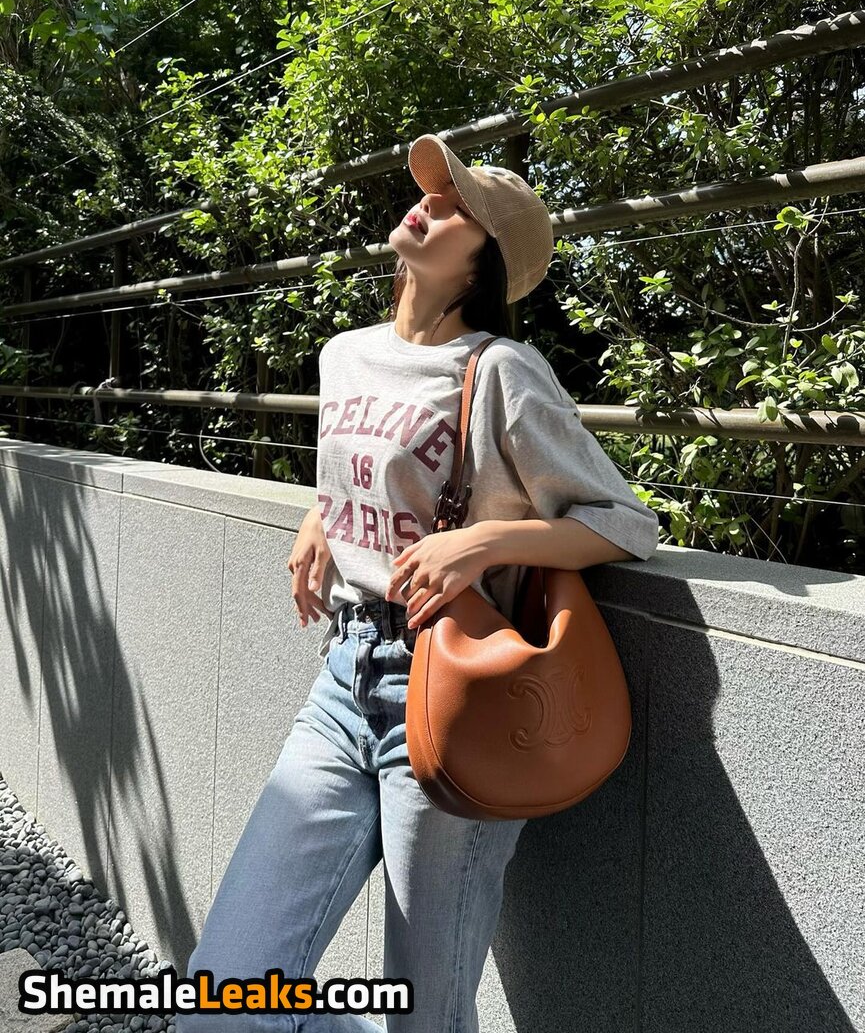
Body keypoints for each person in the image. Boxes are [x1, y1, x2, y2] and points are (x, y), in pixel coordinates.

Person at [175, 134, 660, 1033]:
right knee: (223, 995)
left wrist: (484, 543)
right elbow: (374, 472)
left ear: (486, 259)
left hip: (449, 695)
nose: (427, 205)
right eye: (429, 193)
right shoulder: (344, 354)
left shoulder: (501, 370)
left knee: (425, 1013)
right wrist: (322, 515)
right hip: (341, 679)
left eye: (454, 207)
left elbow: (626, 525)